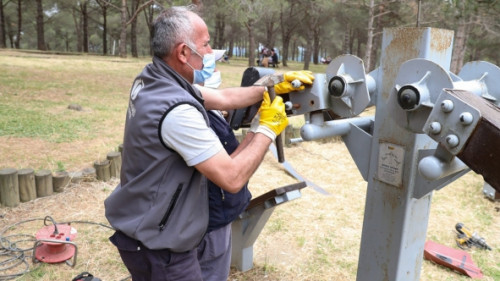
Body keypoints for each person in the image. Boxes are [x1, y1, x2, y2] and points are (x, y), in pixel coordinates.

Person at [104, 5, 314, 281]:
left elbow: (225, 98)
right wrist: (266, 128)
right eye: (205, 44)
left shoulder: (156, 78)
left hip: (148, 227)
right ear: (182, 52)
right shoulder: (176, 112)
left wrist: (272, 84)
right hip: (161, 247)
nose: (210, 50)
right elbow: (232, 177)